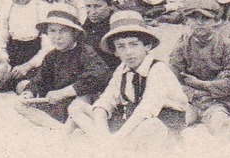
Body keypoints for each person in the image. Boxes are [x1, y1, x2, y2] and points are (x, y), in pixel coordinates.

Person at [67, 11, 189, 146]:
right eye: (121, 47)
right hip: (130, 122)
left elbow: (146, 109)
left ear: (147, 46)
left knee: (151, 125)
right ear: (116, 52)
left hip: (162, 122)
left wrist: (117, 137)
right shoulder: (122, 69)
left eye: (134, 44)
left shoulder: (158, 69)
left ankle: (109, 144)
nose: (128, 52)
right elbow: (106, 100)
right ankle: (105, 143)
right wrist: (104, 134)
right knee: (77, 108)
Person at [16, 5, 114, 127]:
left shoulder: (85, 52)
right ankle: (58, 127)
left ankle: (68, 127)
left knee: (79, 103)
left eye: (63, 30)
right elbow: (41, 79)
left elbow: (99, 75)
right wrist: (29, 93)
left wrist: (64, 92)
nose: (57, 36)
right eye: (52, 31)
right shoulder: (51, 56)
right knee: (21, 105)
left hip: (81, 100)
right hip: (60, 103)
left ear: (74, 33)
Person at [167, 0, 230, 140]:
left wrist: (201, 84)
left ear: (215, 21)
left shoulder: (226, 46)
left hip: (219, 101)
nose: (199, 23)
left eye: (205, 18)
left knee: (221, 126)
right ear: (186, 21)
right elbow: (173, 82)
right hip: (190, 101)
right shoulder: (181, 48)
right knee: (176, 128)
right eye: (194, 18)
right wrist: (195, 94)